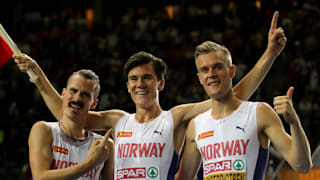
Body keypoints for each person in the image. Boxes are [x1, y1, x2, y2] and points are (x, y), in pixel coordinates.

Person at [14, 11, 286, 180]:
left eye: (147, 77)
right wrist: (38, 76)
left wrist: (270, 55)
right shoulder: (118, 120)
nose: (139, 84)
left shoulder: (176, 117)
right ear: (127, 86)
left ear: (161, 84)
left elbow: (231, 95)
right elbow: (69, 112)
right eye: (133, 79)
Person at [174, 40, 312, 180]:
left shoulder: (259, 113)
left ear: (231, 71)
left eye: (217, 67)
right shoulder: (195, 126)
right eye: (205, 70)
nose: (211, 74)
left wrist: (294, 123)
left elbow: (302, 166)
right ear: (200, 78)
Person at [27, 69, 114, 180]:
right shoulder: (44, 130)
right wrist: (90, 163)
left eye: (85, 95)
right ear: (63, 94)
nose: (77, 98)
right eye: (73, 91)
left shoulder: (105, 146)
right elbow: (40, 178)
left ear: (94, 104)